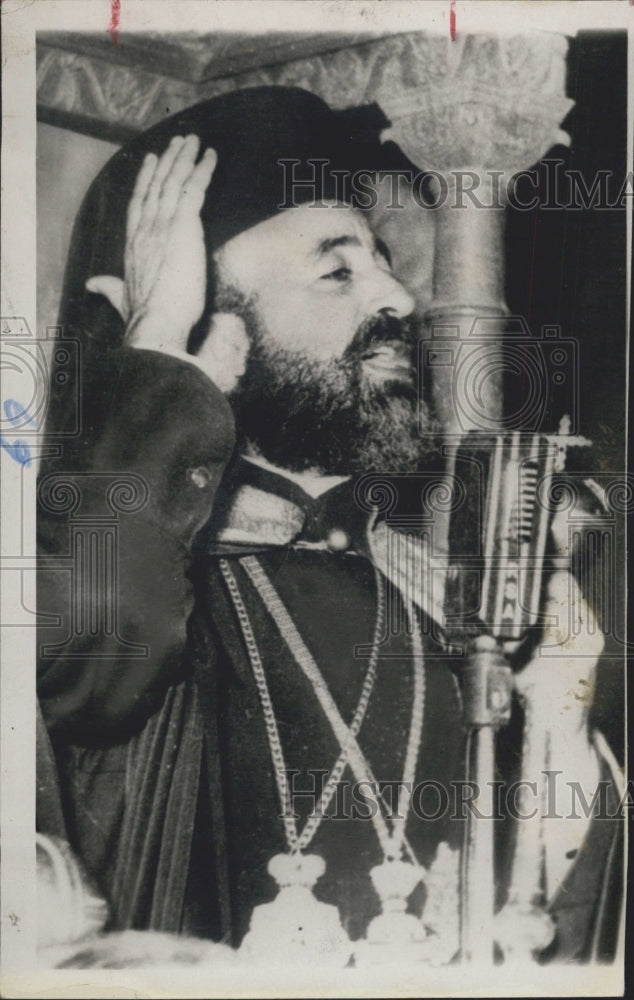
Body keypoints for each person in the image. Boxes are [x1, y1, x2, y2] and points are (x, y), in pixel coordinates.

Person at [36, 86, 622, 967]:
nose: (398, 297)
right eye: (338, 269)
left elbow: (552, 932)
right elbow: (83, 658)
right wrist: (155, 351)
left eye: (384, 261)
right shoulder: (149, 585)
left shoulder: (436, 589)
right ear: (203, 319)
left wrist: (558, 720)